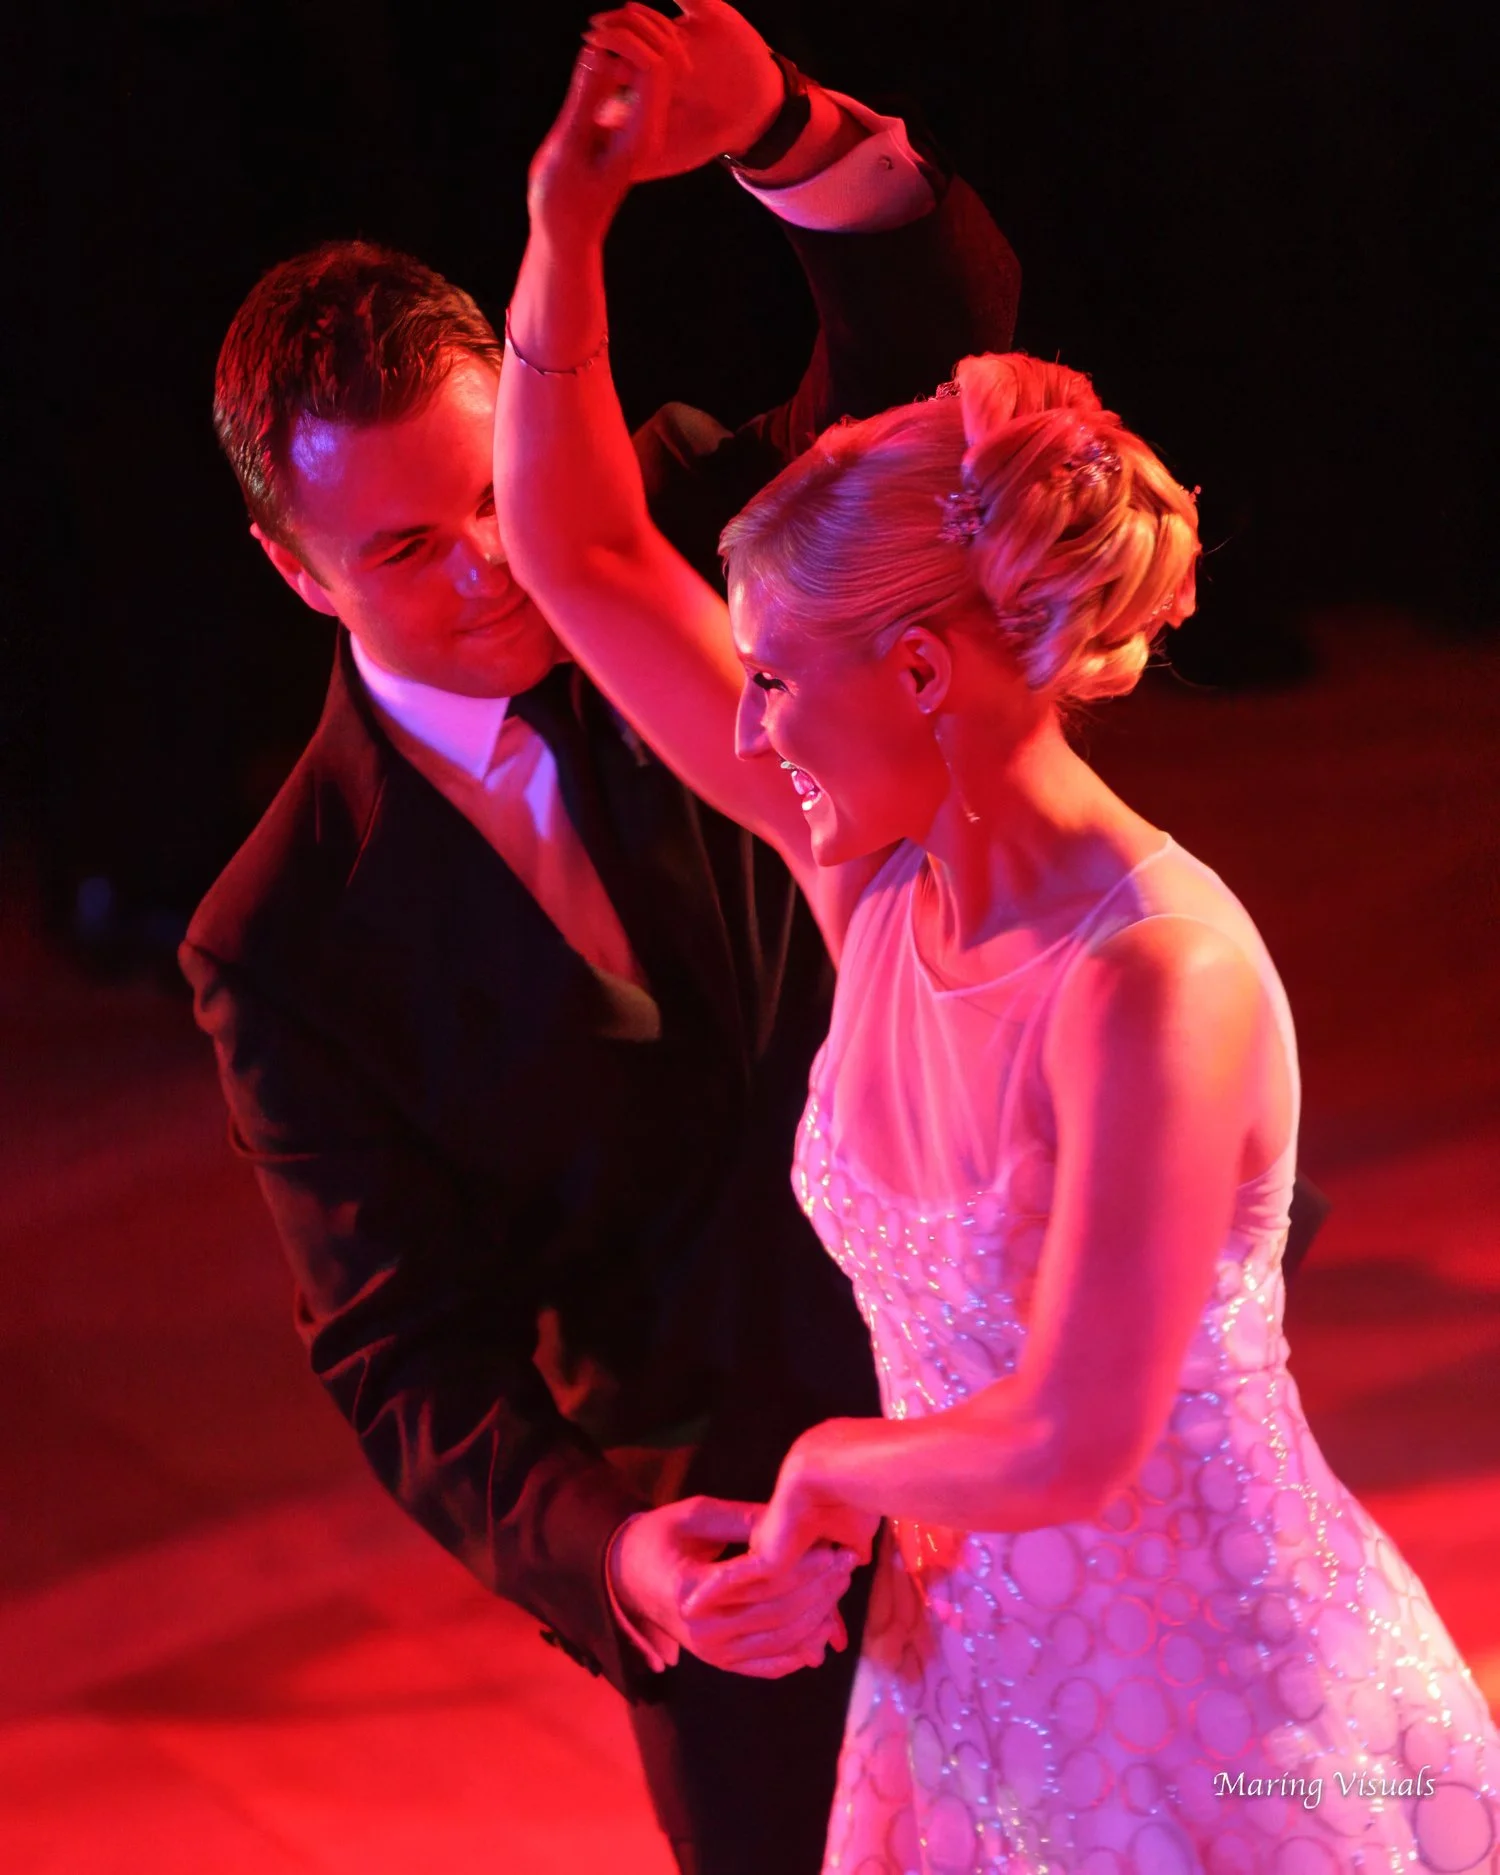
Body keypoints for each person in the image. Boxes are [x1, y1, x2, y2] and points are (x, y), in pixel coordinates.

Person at [493, 37, 1499, 1875]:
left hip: (1226, 1714)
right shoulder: (865, 876)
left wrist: (820, 1475)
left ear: (925, 671)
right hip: (969, 1687)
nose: (753, 718)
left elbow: (1075, 1430)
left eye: (777, 673)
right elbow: (570, 551)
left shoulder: (1152, 978)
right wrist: (568, 221)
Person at [180, 4, 1025, 1868]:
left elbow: (935, 362)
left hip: (1006, 1394)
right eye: (403, 547)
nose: (491, 562)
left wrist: (788, 128)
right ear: (292, 570)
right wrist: (614, 1555)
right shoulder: (280, 935)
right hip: (738, 1561)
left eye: (497, 493)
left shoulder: (696, 545)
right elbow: (404, 1350)